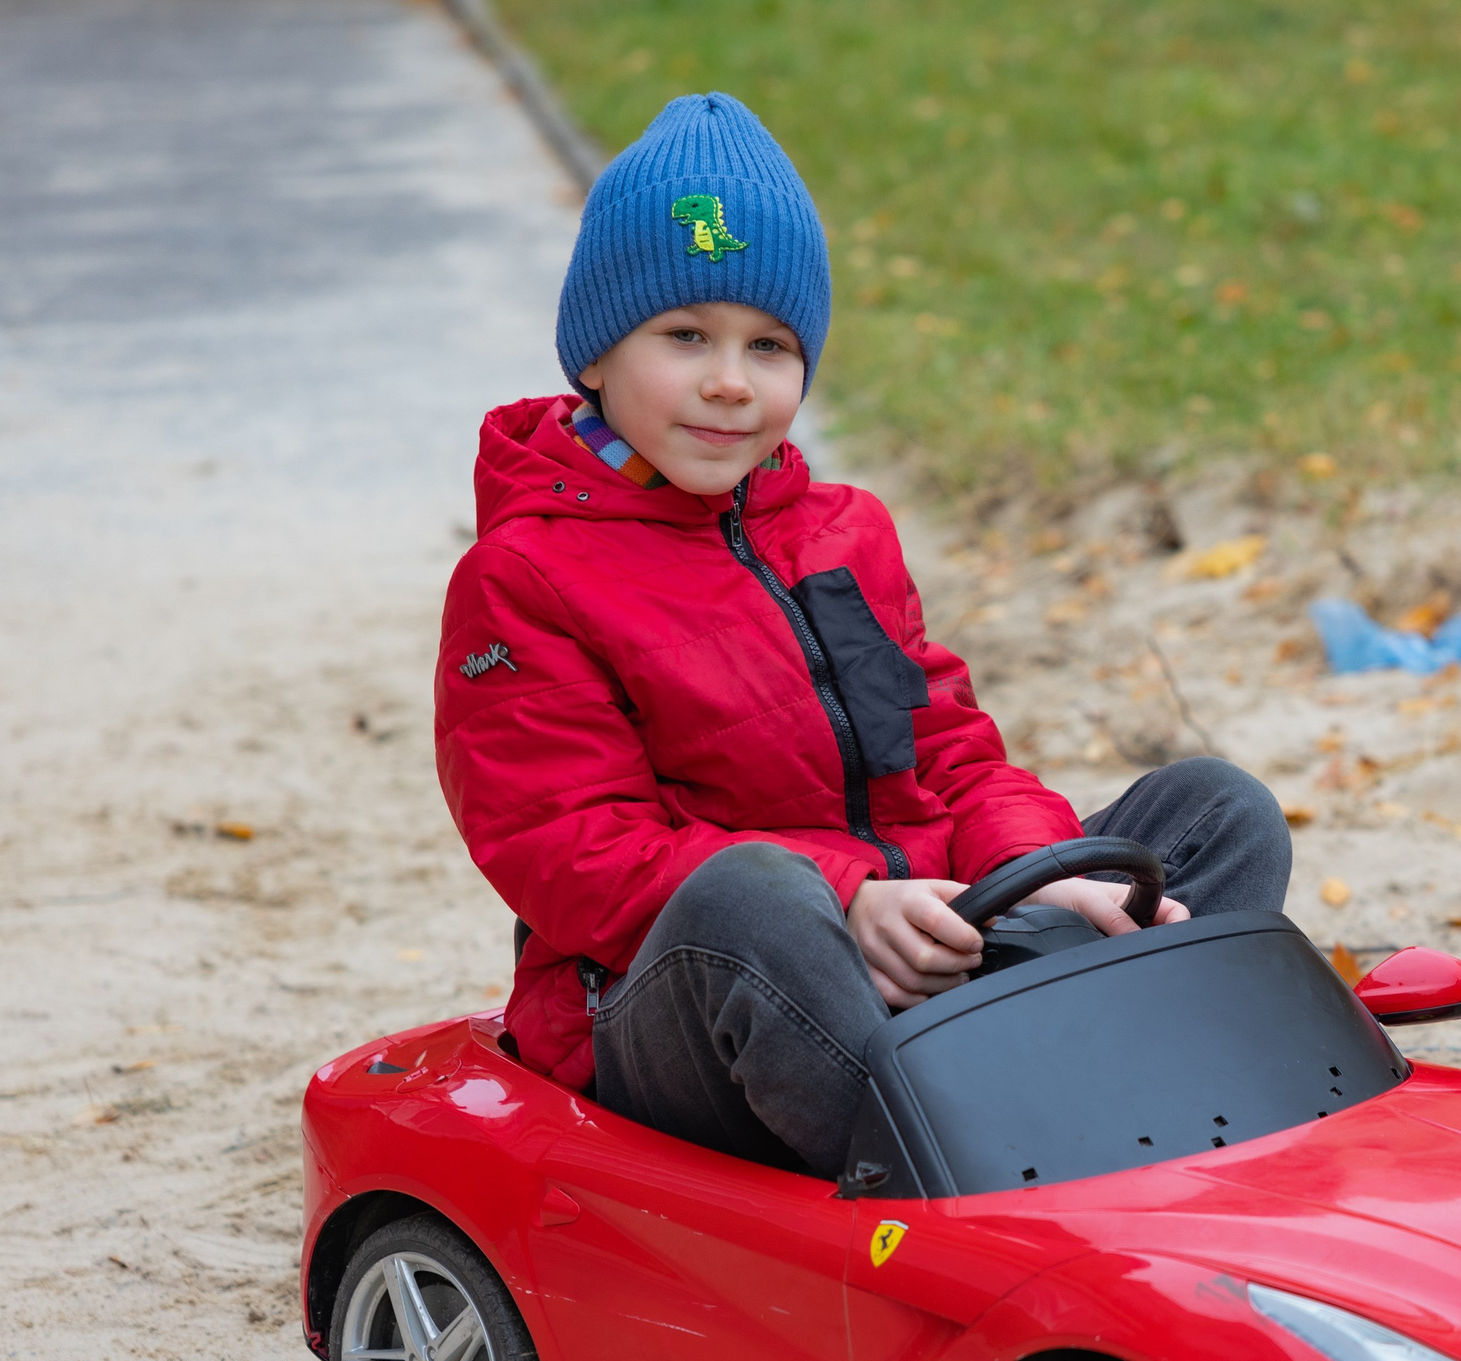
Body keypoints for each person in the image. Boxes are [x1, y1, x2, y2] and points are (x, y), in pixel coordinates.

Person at [434, 93, 1289, 1178]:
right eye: (684, 334)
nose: (730, 380)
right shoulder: (525, 574)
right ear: (595, 356)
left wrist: (1032, 873)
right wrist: (846, 900)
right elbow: (571, 854)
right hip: (694, 1002)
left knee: (1217, 809)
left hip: (925, 938)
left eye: (771, 345)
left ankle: (1122, 1081)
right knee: (754, 889)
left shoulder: (843, 532)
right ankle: (949, 1155)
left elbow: (948, 753)